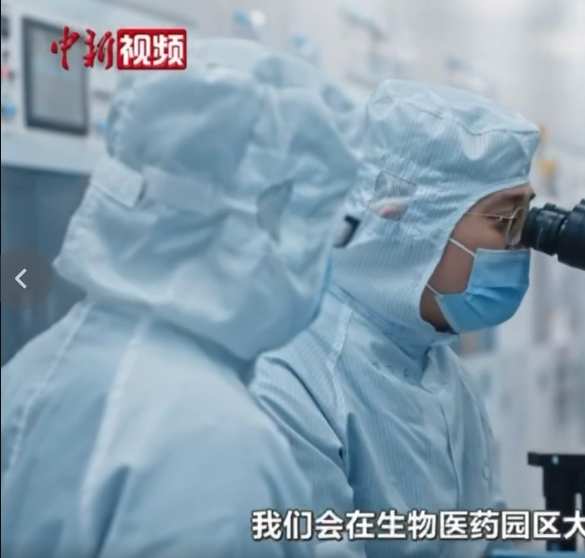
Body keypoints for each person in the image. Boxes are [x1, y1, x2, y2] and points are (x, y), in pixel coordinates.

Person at [0, 39, 359, 558]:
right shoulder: (214, 439)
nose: (326, 255)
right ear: (265, 220)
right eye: (326, 226)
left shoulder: (31, 369)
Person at [251, 79, 540, 558]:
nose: (523, 245)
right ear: (410, 221)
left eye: (527, 220)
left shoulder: (442, 370)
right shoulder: (294, 383)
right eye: (506, 221)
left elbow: (486, 542)